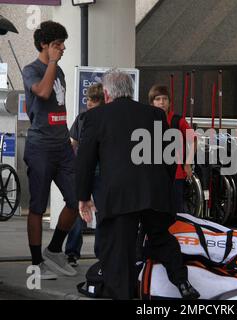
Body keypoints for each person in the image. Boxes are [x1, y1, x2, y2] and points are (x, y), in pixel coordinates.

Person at [76, 69, 200, 300]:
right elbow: (169, 156)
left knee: (119, 249)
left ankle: (123, 293)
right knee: (161, 237)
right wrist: (163, 184)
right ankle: (182, 283)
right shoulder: (154, 114)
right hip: (153, 191)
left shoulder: (95, 117)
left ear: (106, 92)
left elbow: (85, 161)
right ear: (131, 91)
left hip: (120, 195)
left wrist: (83, 197)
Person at [22, 21, 78, 279]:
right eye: (57, 44)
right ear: (44, 44)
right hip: (40, 147)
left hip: (62, 146)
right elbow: (43, 93)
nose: (63, 48)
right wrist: (52, 63)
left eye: (63, 44)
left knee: (76, 198)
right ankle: (37, 262)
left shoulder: (61, 71)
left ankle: (54, 250)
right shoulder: (31, 69)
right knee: (37, 206)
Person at [65, 83, 104, 266]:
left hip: (102, 174)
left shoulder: (106, 120)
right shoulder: (81, 119)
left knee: (101, 215)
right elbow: (72, 143)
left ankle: (101, 254)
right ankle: (72, 252)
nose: (89, 103)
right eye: (88, 99)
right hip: (83, 172)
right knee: (78, 212)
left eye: (94, 100)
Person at [148, 85, 195, 213]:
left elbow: (194, 140)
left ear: (169, 102)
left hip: (176, 175)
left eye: (165, 99)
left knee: (176, 210)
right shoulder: (146, 120)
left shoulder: (178, 121)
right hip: (153, 174)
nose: (161, 102)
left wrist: (188, 163)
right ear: (152, 102)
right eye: (158, 99)